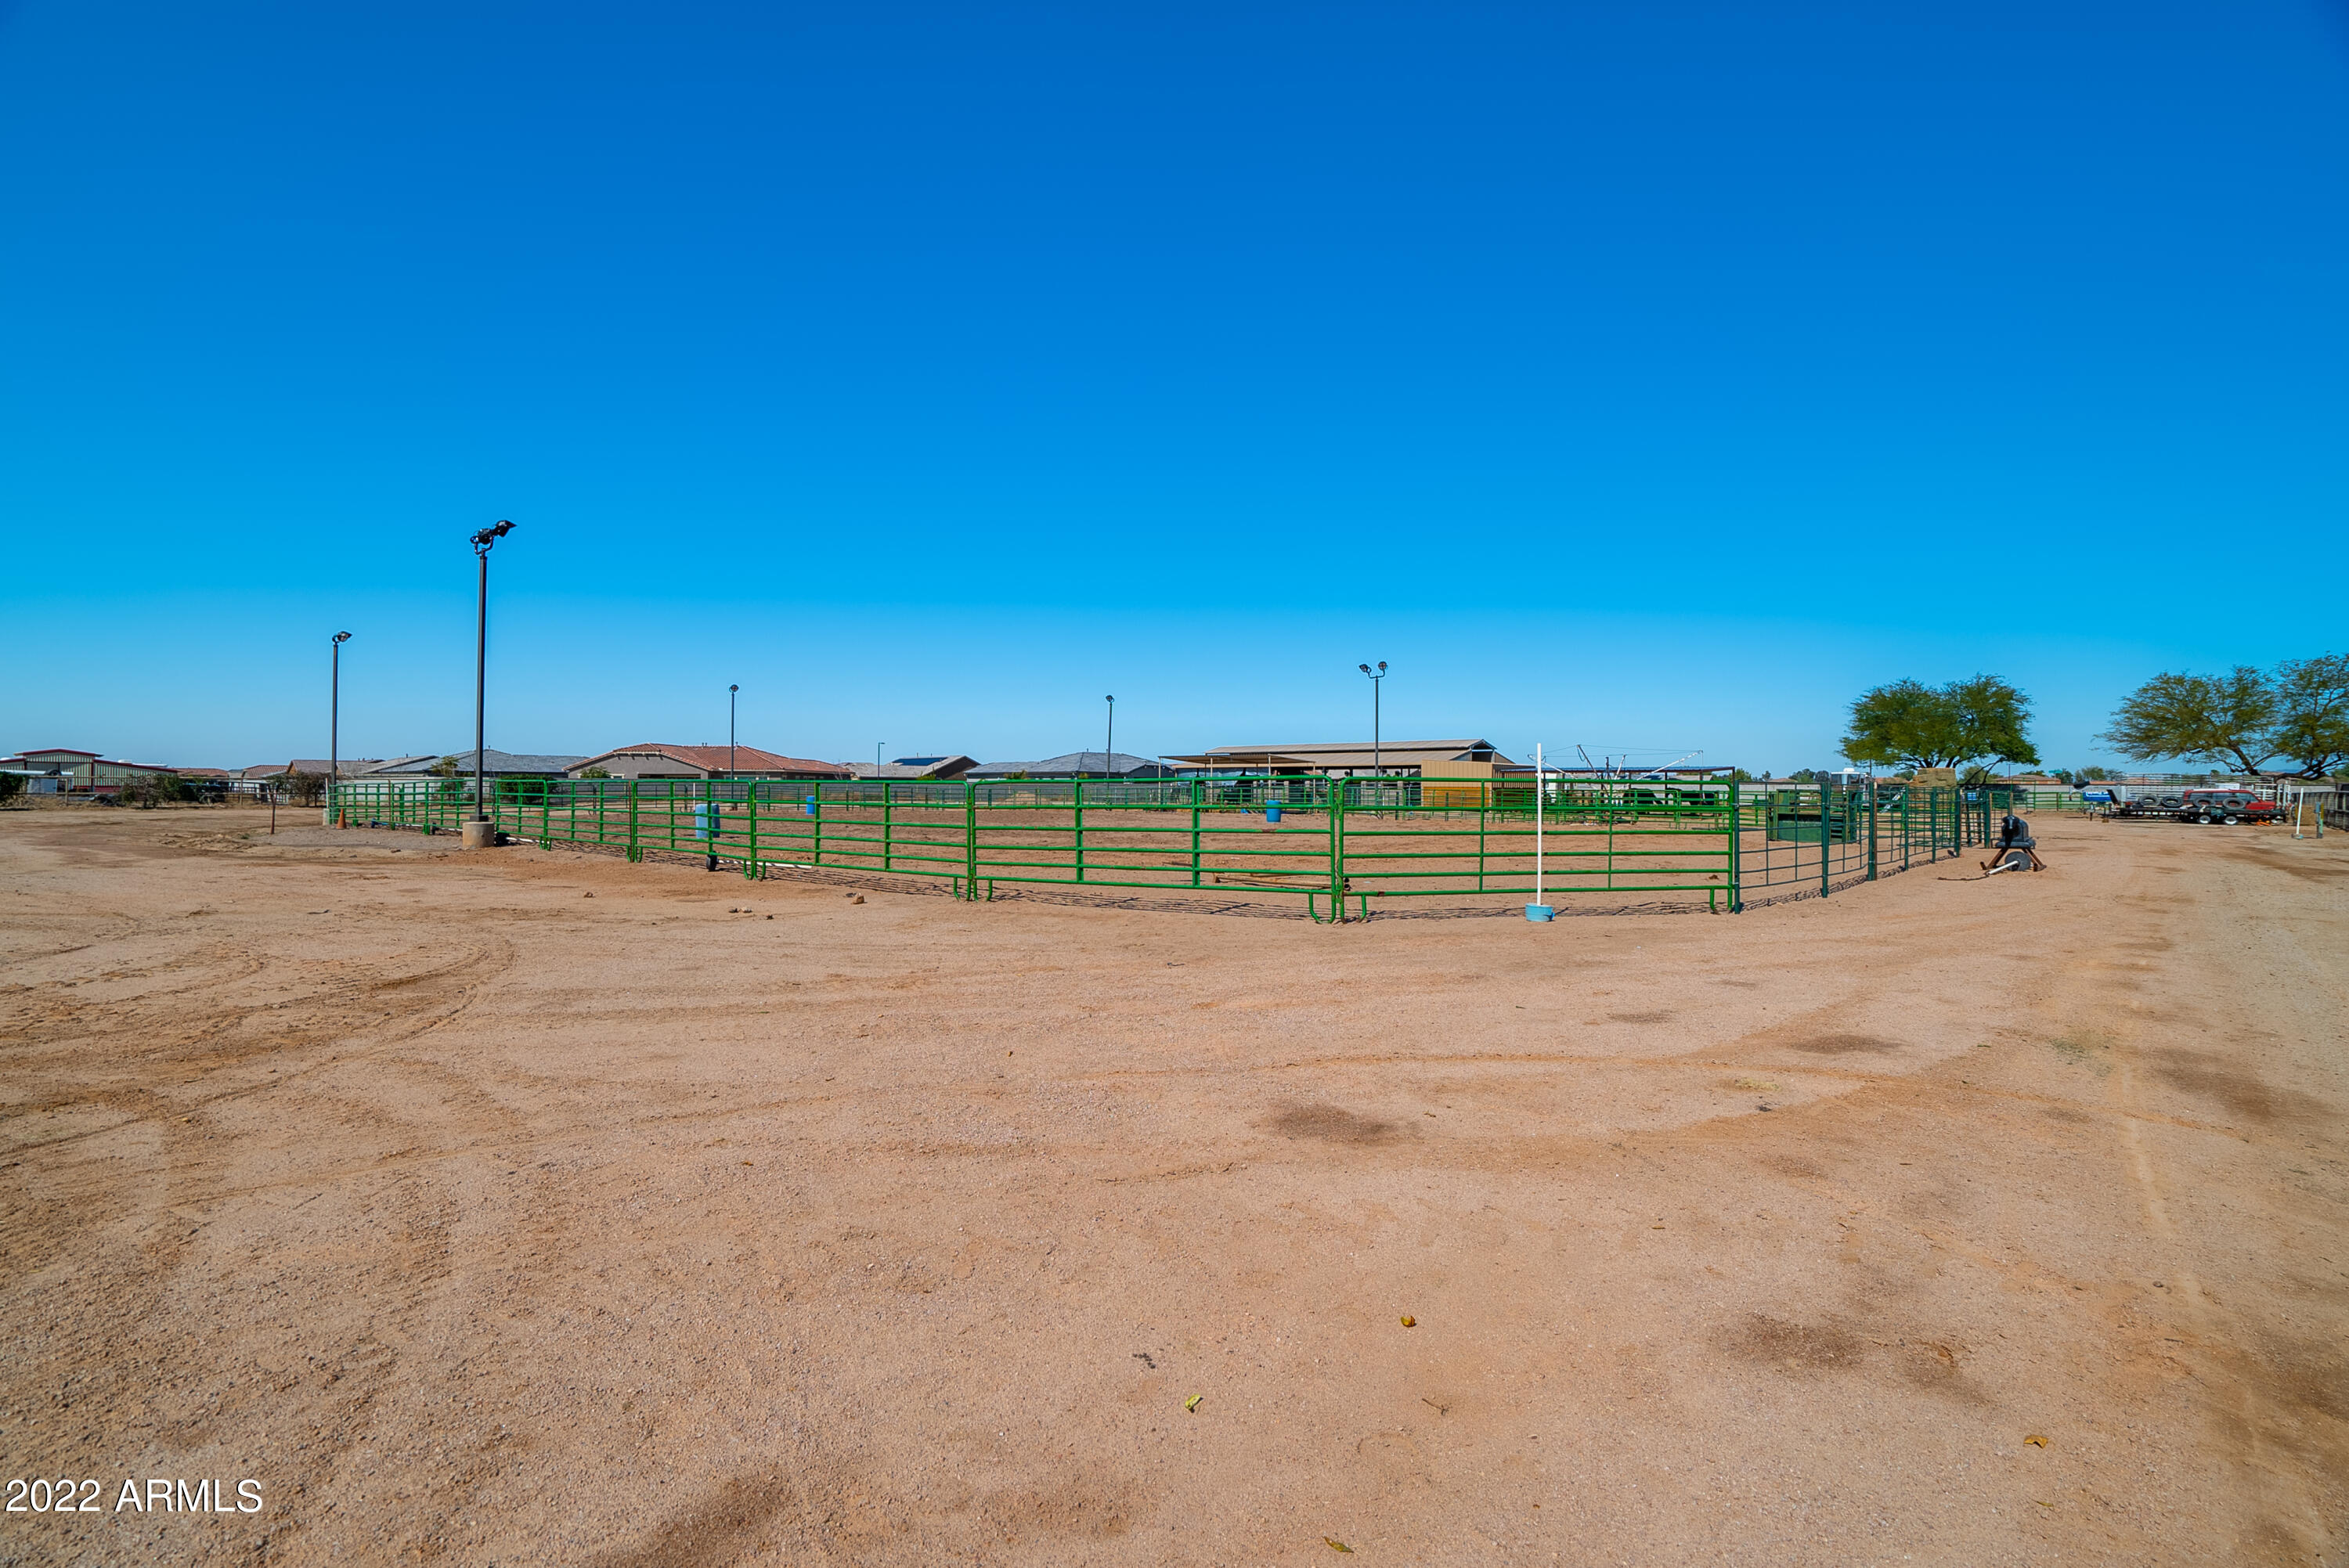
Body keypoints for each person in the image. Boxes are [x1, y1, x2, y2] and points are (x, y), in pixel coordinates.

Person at [1982, 809, 2045, 873]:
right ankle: (1992, 864)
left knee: (2004, 851)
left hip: (2020, 840)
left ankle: (2038, 863)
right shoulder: (2007, 826)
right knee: (2004, 850)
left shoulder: (2020, 825)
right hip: (2011, 840)